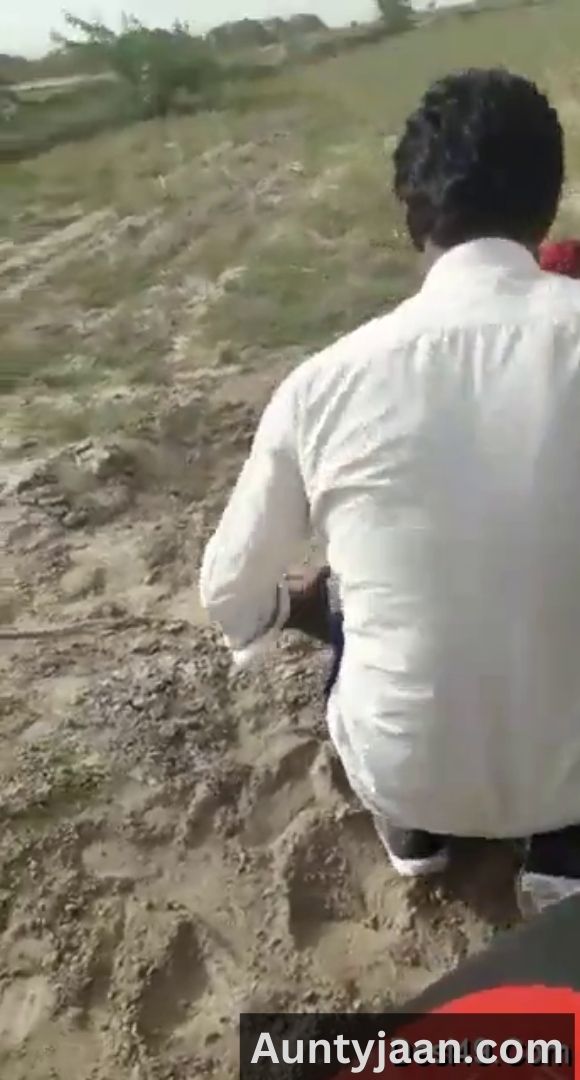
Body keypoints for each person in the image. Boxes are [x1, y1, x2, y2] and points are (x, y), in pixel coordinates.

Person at [200, 67, 580, 915]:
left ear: (412, 215)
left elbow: (227, 593)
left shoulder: (322, 383)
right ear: (548, 205)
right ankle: (564, 848)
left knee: (361, 607)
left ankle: (419, 835)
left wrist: (298, 608)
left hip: (406, 772)